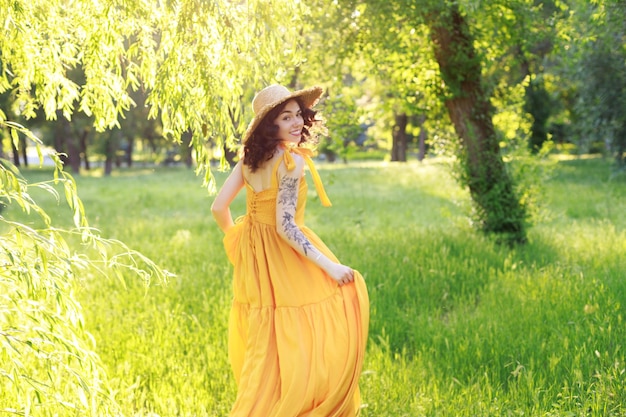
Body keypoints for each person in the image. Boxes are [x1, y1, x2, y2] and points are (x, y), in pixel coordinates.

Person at [211, 84, 369, 416]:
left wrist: (238, 240)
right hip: (284, 254)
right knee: (307, 328)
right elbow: (285, 226)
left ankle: (266, 405)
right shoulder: (290, 161)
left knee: (268, 338)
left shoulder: (248, 161)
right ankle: (299, 404)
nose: (297, 122)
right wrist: (330, 266)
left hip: (256, 256)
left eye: (298, 114)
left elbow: (219, 208)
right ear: (271, 125)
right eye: (286, 117)